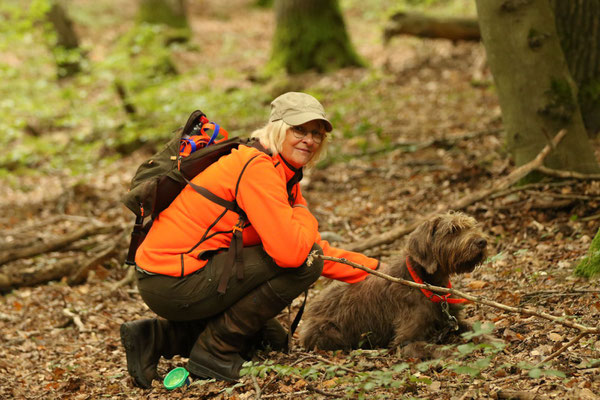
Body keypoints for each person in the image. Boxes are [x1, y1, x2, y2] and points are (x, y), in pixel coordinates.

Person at [120, 92, 380, 387]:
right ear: (277, 127)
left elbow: (311, 245)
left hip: (175, 275)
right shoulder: (258, 168)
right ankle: (214, 353)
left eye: (316, 133)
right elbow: (296, 255)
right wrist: (303, 213)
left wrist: (376, 271)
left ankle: (154, 338)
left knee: (270, 340)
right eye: (299, 129)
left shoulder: (280, 170)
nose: (309, 139)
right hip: (172, 282)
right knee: (305, 262)